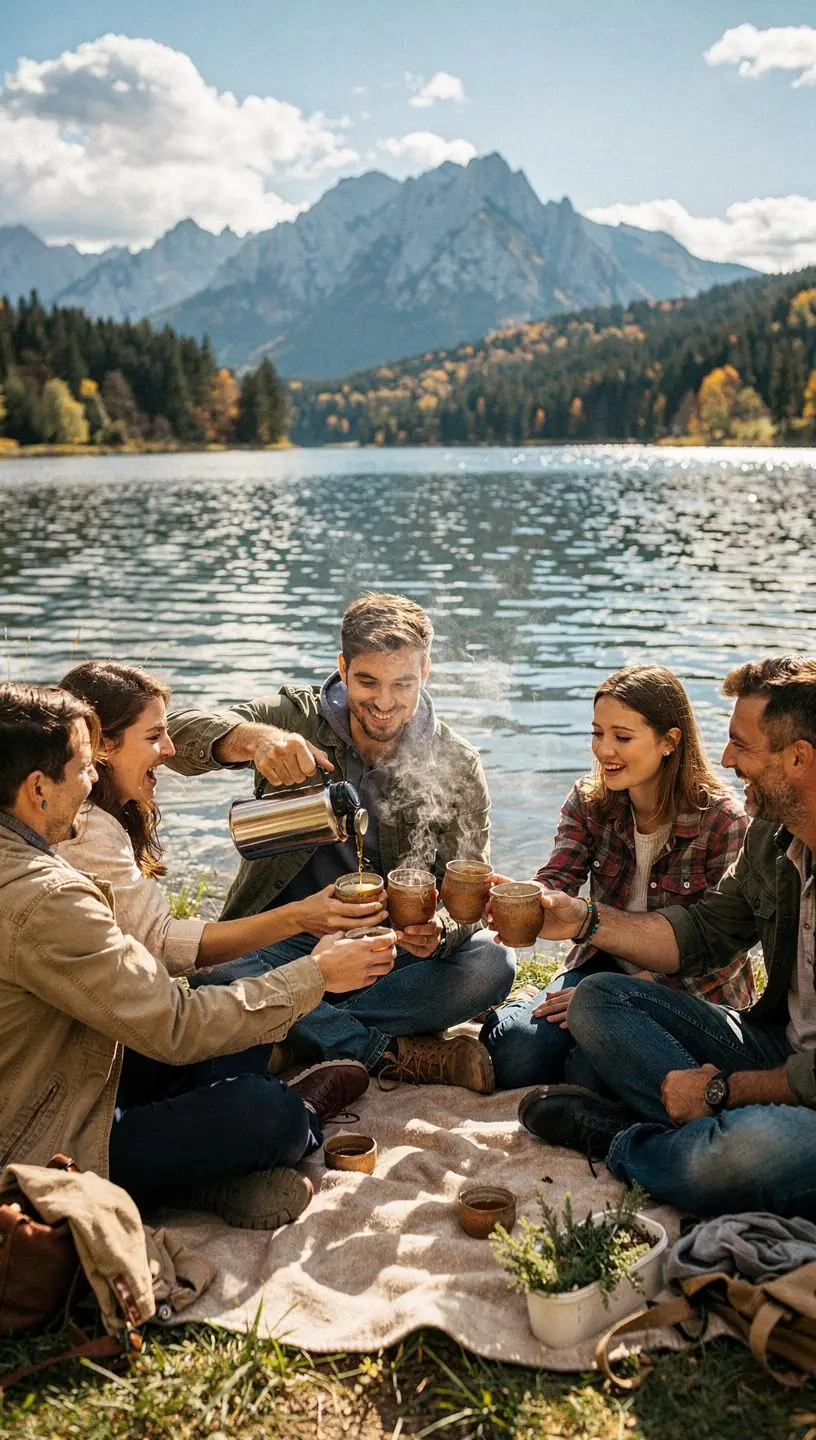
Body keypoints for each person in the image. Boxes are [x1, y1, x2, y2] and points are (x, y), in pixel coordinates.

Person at [0, 681, 397, 1230]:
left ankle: (196, 1170)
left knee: (232, 1021)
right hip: (39, 1140)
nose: (91, 782)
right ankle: (262, 1138)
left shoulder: (25, 857)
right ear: (38, 789)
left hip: (70, 1062)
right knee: (268, 1114)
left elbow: (148, 1002)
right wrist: (315, 975)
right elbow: (176, 1024)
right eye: (84, 767)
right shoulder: (46, 896)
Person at [166, 592, 516, 1093]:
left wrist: (439, 929)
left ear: (427, 672)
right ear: (342, 667)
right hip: (281, 941)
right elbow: (177, 735)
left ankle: (287, 1032)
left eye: (403, 683)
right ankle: (386, 1052)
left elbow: (471, 889)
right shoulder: (295, 718)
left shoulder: (457, 761)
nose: (384, 701)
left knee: (491, 964)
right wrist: (255, 741)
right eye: (367, 681)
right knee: (215, 967)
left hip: (386, 950)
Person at [518, 656, 816, 1220]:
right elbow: (704, 932)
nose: (727, 760)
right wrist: (583, 920)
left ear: (798, 757)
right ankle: (688, 1128)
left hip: (800, 1087)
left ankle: (627, 1139)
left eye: (742, 746)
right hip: (773, 1047)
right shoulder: (773, 839)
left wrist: (723, 1091)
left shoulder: (727, 818)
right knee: (600, 996)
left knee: (743, 1149)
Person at [481, 666, 753, 1089]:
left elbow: (725, 950)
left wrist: (622, 993)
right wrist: (529, 899)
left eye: (622, 737)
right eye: (597, 733)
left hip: (688, 988)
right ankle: (522, 1009)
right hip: (602, 964)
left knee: (590, 1074)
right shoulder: (589, 800)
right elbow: (559, 876)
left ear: (669, 741)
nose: (604, 750)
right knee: (515, 1055)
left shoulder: (724, 820)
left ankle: (554, 1020)